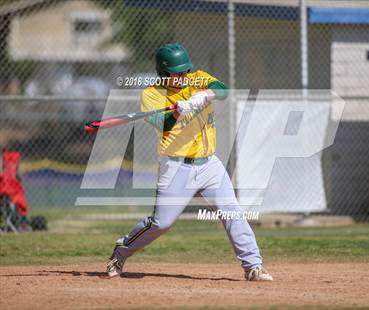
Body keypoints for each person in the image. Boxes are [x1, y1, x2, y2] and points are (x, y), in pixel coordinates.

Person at [106, 43, 272, 281]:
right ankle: (120, 252)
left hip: (209, 164)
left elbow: (223, 90)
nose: (183, 76)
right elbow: (162, 126)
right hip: (175, 167)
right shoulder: (151, 94)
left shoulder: (197, 79)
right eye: (177, 72)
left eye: (185, 71)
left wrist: (204, 94)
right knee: (161, 223)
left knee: (232, 212)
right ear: (164, 73)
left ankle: (253, 266)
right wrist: (176, 112)